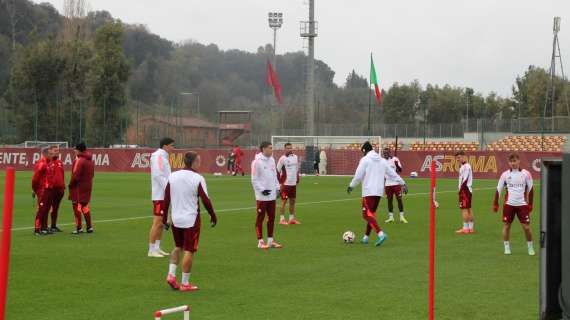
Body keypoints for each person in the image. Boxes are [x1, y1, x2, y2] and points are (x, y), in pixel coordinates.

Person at [164, 152, 217, 292]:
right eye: (198, 160)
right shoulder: (198, 178)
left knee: (178, 247)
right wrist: (213, 215)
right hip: (191, 219)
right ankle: (185, 283)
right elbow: (205, 199)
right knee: (189, 250)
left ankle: (171, 275)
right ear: (193, 162)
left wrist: (165, 219)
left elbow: (166, 198)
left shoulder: (172, 176)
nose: (200, 163)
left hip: (176, 218)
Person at [347, 142, 407, 246]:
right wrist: (403, 183)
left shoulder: (365, 160)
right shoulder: (382, 161)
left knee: (366, 215)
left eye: (363, 152)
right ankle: (365, 238)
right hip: (379, 193)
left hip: (368, 192)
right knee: (371, 215)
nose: (362, 154)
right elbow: (392, 174)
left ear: (365, 151)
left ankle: (381, 234)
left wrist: (351, 185)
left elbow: (358, 176)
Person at [492, 153, 535, 256]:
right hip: (509, 205)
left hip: (522, 205)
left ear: (519, 161)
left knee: (526, 227)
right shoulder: (505, 174)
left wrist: (530, 204)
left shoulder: (526, 174)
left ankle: (530, 247)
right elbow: (499, 189)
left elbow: (531, 189)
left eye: (515, 161)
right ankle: (507, 247)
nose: (513, 163)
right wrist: (495, 203)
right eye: (511, 161)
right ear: (509, 163)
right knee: (506, 226)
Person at [251, 141, 282, 249]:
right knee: (260, 218)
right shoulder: (256, 162)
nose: (271, 150)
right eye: (269, 148)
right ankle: (260, 241)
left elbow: (275, 176)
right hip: (261, 196)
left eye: (272, 148)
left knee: (272, 218)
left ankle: (270, 241)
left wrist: (278, 188)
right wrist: (262, 190)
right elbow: (254, 180)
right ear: (263, 149)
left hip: (272, 196)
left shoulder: (272, 160)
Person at [148, 137, 175, 257]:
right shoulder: (158, 156)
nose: (173, 148)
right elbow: (158, 175)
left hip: (164, 194)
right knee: (157, 222)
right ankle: (151, 249)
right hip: (160, 195)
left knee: (162, 222)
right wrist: (168, 189)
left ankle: (157, 247)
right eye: (172, 145)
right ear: (165, 146)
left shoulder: (163, 156)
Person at [69, 142, 95, 234]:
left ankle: (79, 228)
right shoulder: (90, 160)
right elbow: (92, 175)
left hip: (78, 188)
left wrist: (70, 185)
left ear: (79, 150)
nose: (74, 151)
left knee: (76, 207)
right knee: (85, 207)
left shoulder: (79, 160)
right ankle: (89, 227)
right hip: (87, 186)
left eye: (75, 149)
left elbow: (75, 175)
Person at [276, 143, 300, 225]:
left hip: (293, 184)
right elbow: (277, 171)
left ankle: (291, 219)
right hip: (285, 184)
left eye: (290, 148)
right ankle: (282, 219)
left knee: (292, 201)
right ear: (285, 149)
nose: (289, 149)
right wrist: (279, 183)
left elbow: (296, 169)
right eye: (288, 148)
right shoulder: (282, 159)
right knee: (283, 202)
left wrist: (297, 177)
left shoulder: (295, 157)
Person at [382, 148, 407, 223]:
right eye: (384, 153)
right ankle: (391, 217)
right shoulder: (382, 161)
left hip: (396, 183)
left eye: (386, 153)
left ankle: (402, 217)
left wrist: (396, 165)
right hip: (387, 184)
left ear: (390, 153)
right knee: (389, 200)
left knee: (399, 199)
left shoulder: (395, 159)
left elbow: (400, 170)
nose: (385, 154)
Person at [32, 146, 51, 235]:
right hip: (42, 190)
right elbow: (35, 178)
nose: (51, 155)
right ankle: (36, 229)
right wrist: (35, 189)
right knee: (41, 209)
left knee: (44, 209)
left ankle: (43, 228)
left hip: (46, 190)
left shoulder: (46, 163)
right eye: (50, 154)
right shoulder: (41, 164)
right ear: (45, 153)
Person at [455, 151, 475, 234]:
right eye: (457, 158)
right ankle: (471, 228)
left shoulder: (466, 166)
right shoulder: (464, 166)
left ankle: (465, 228)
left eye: (459, 157)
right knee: (469, 209)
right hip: (467, 190)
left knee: (464, 209)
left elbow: (465, 180)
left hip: (465, 190)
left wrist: (460, 190)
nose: (458, 159)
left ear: (464, 156)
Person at [47, 146, 65, 232]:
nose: (57, 152)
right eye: (55, 151)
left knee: (56, 208)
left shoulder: (60, 162)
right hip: (52, 189)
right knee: (49, 208)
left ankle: (53, 226)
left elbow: (62, 175)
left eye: (58, 151)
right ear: (50, 151)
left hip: (60, 189)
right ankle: (44, 226)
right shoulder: (48, 162)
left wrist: (63, 186)